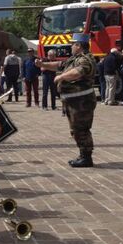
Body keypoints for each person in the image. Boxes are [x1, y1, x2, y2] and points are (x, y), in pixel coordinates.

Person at [36, 34, 97, 168]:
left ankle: (86, 158)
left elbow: (78, 72)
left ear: (79, 46)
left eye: (73, 44)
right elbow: (59, 65)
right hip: (74, 101)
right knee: (76, 129)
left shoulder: (85, 59)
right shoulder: (75, 59)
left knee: (81, 129)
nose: (71, 46)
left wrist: (61, 77)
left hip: (82, 101)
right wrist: (43, 64)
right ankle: (83, 155)